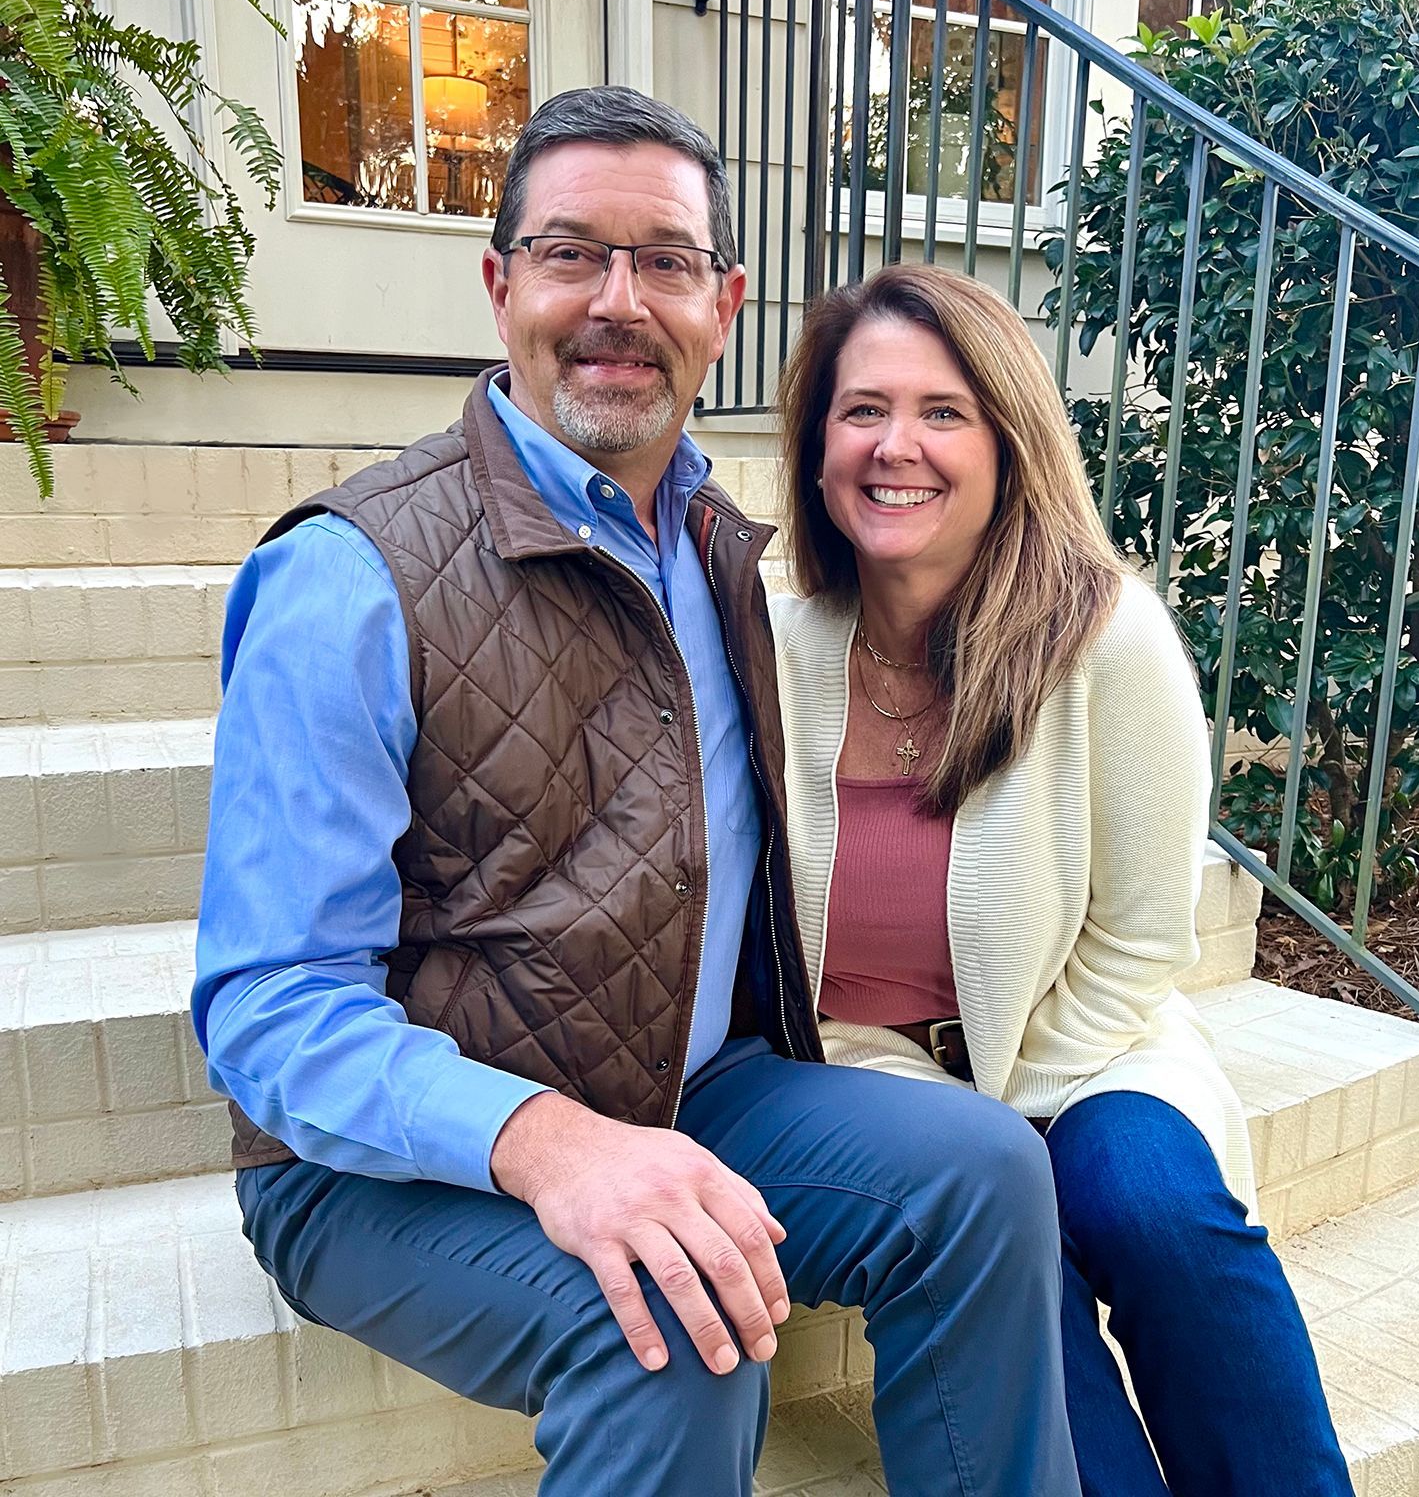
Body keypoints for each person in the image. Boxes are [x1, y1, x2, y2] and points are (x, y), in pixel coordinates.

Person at [192, 88, 1082, 1496]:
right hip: (385, 1170)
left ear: (723, 303)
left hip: (689, 1089)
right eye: (570, 254)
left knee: (979, 1173)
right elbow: (270, 1009)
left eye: (664, 260)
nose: (619, 301)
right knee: (669, 1320)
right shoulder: (350, 578)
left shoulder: (728, 550)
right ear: (500, 286)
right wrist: (548, 1145)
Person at [770, 263, 1355, 1497]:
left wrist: (1014, 1110)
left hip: (1084, 1040)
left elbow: (1145, 935)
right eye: (862, 408)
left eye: (944, 411)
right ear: (818, 443)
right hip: (864, 1058)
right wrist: (980, 1141)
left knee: (1147, 1203)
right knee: (998, 1245)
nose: (898, 446)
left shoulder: (1104, 637)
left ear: (1008, 442)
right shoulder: (773, 649)